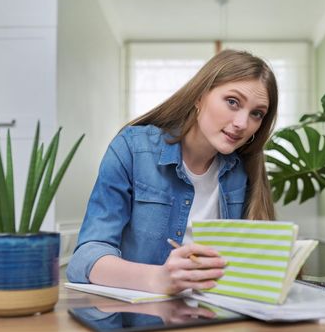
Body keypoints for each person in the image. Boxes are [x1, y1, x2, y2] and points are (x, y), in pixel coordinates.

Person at [66, 49, 278, 295]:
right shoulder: (133, 148)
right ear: (199, 97)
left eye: (256, 114)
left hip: (216, 318)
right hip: (142, 322)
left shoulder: (243, 169)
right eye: (232, 102)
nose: (242, 123)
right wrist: (159, 279)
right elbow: (85, 258)